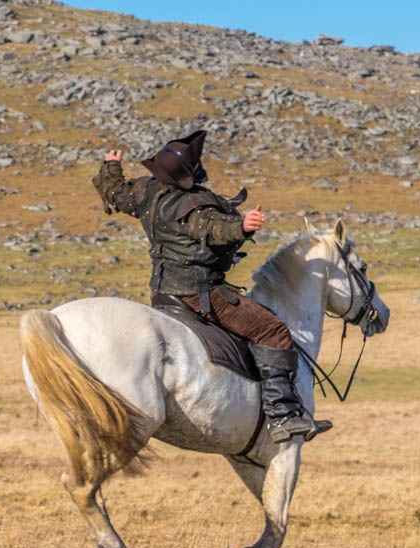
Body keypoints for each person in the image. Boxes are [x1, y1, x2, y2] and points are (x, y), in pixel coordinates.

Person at [91, 130, 331, 443]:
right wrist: (242, 226)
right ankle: (283, 415)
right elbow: (214, 229)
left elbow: (115, 193)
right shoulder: (193, 207)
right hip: (199, 294)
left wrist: (111, 167)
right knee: (273, 331)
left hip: (163, 291)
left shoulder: (145, 192)